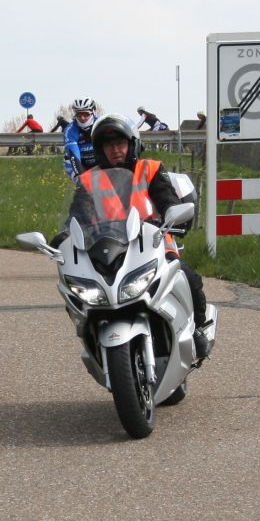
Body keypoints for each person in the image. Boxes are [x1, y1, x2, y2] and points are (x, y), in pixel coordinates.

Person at [73, 115, 210, 360]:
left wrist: (171, 212)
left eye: (120, 143)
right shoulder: (88, 180)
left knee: (189, 278)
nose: (115, 149)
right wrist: (63, 235)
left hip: (154, 243)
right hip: (108, 250)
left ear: (132, 144)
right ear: (100, 149)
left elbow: (166, 197)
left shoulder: (151, 168)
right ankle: (91, 336)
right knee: (80, 287)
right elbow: (78, 214)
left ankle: (199, 329)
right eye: (108, 144)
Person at [63, 98, 99, 181]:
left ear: (93, 112)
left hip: (99, 159)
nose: (82, 118)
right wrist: (82, 179)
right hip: (80, 161)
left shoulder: (100, 123)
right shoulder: (70, 130)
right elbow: (73, 156)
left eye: (86, 114)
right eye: (79, 114)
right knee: (82, 182)